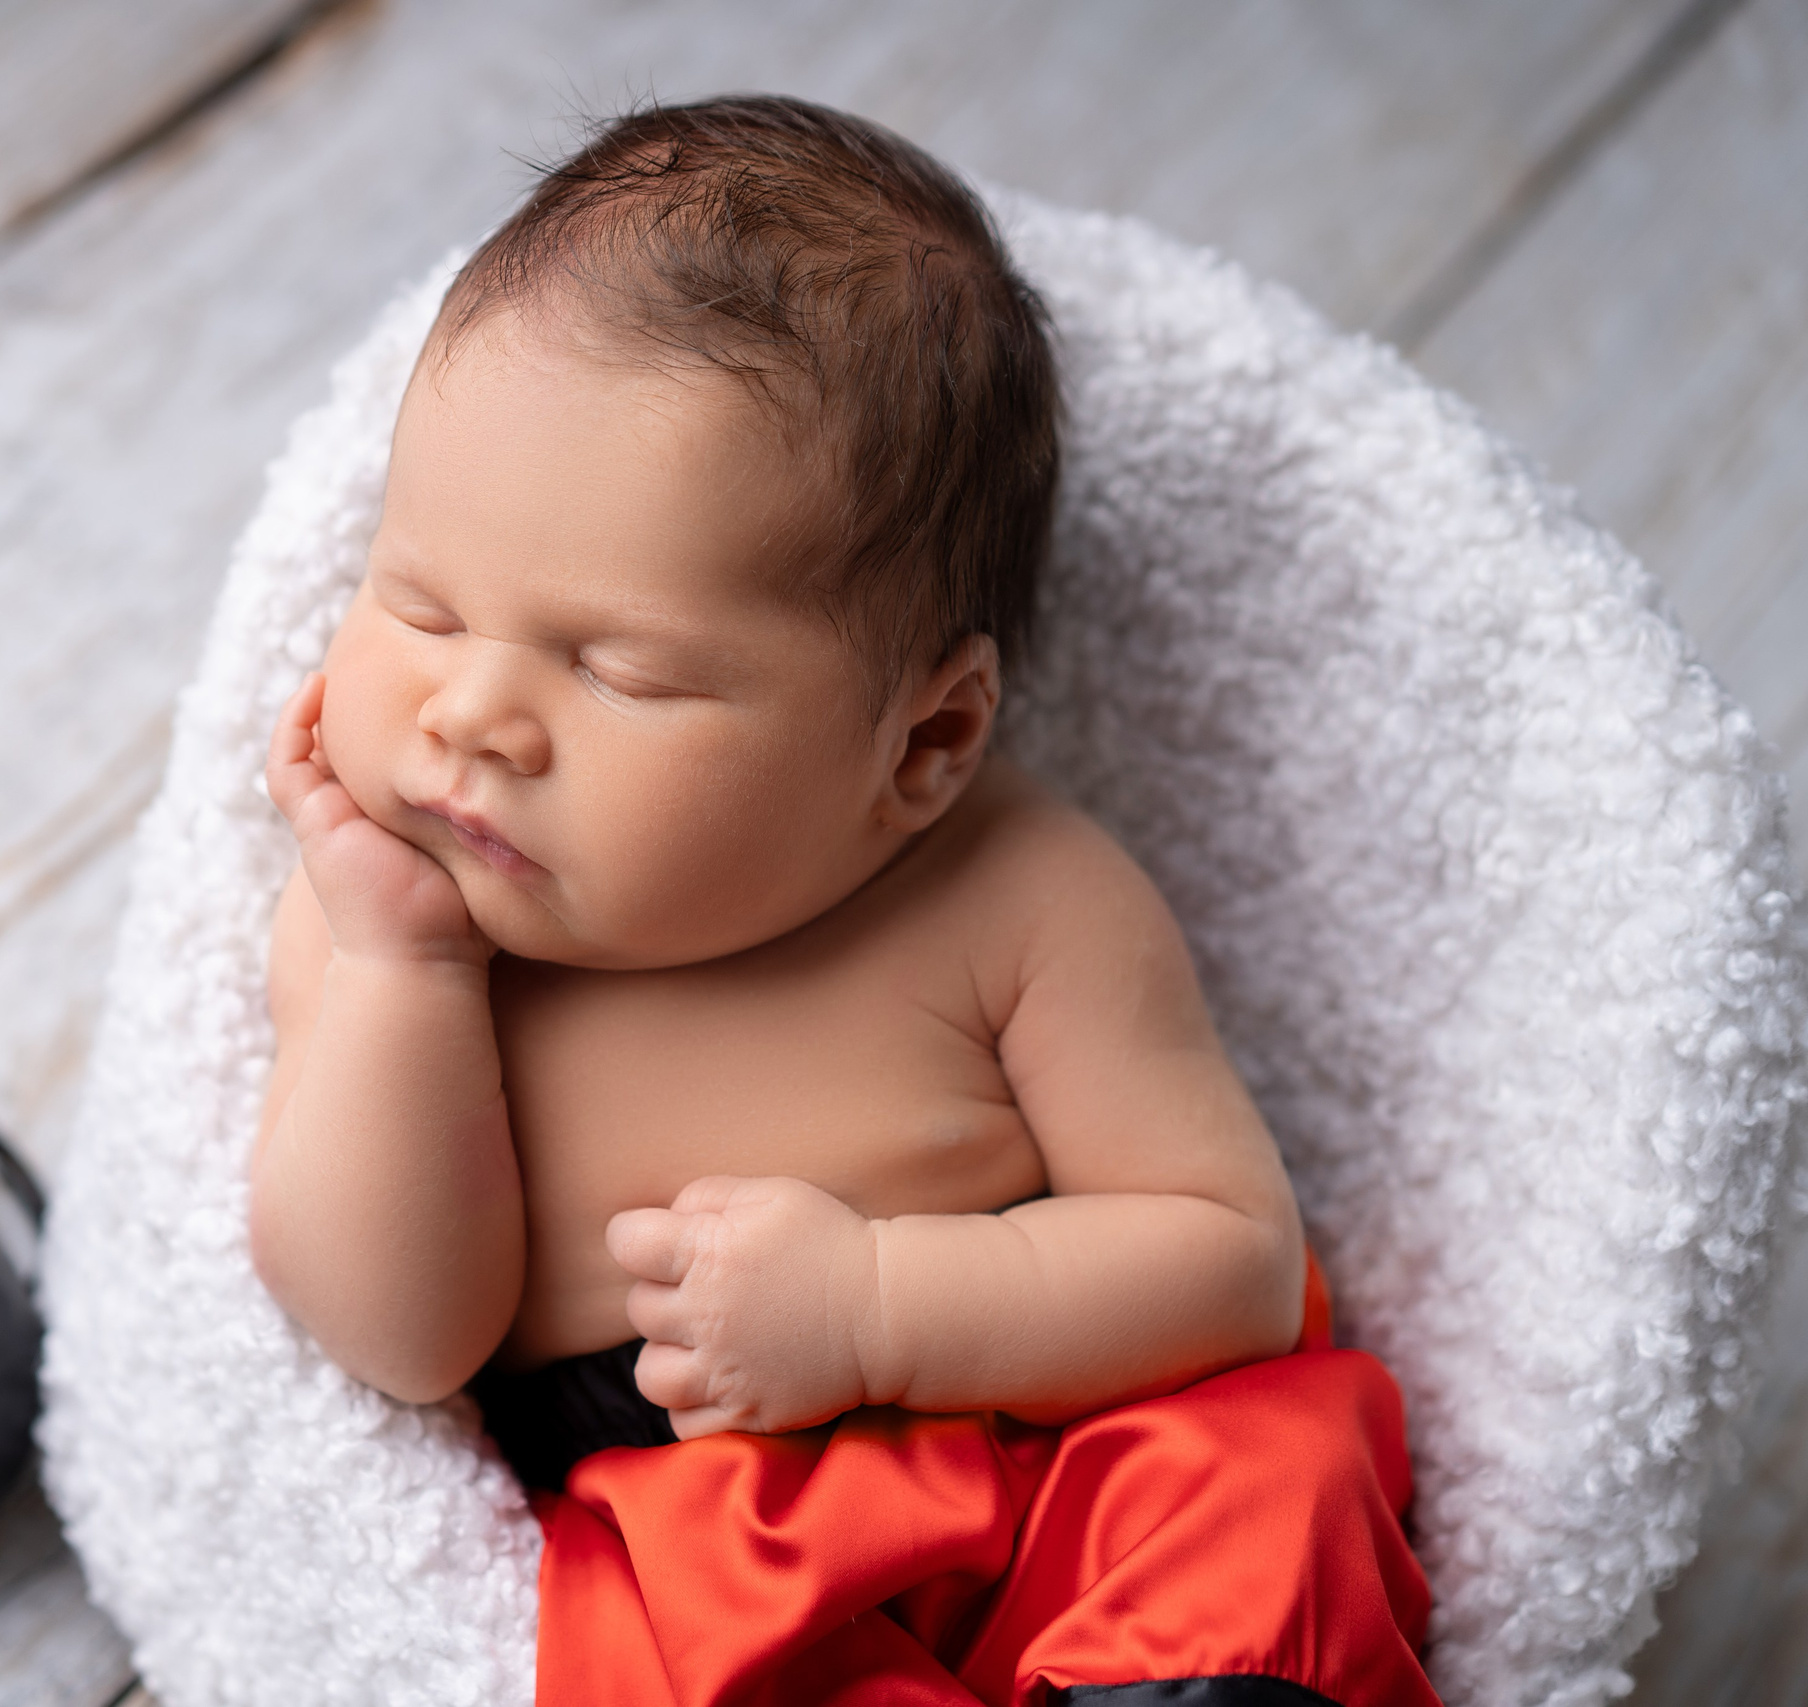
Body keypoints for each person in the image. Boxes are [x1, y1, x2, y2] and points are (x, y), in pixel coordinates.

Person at [252, 94, 1435, 1707]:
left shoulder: (1027, 898)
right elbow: (401, 1342)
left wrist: (881, 1310)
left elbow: (1227, 1261)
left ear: (924, 739)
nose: (471, 716)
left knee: (1276, 1449)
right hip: (699, 1515)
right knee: (654, 1652)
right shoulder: (380, 920)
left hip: (1057, 1418)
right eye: (423, 602)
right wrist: (403, 977)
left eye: (615, 666)